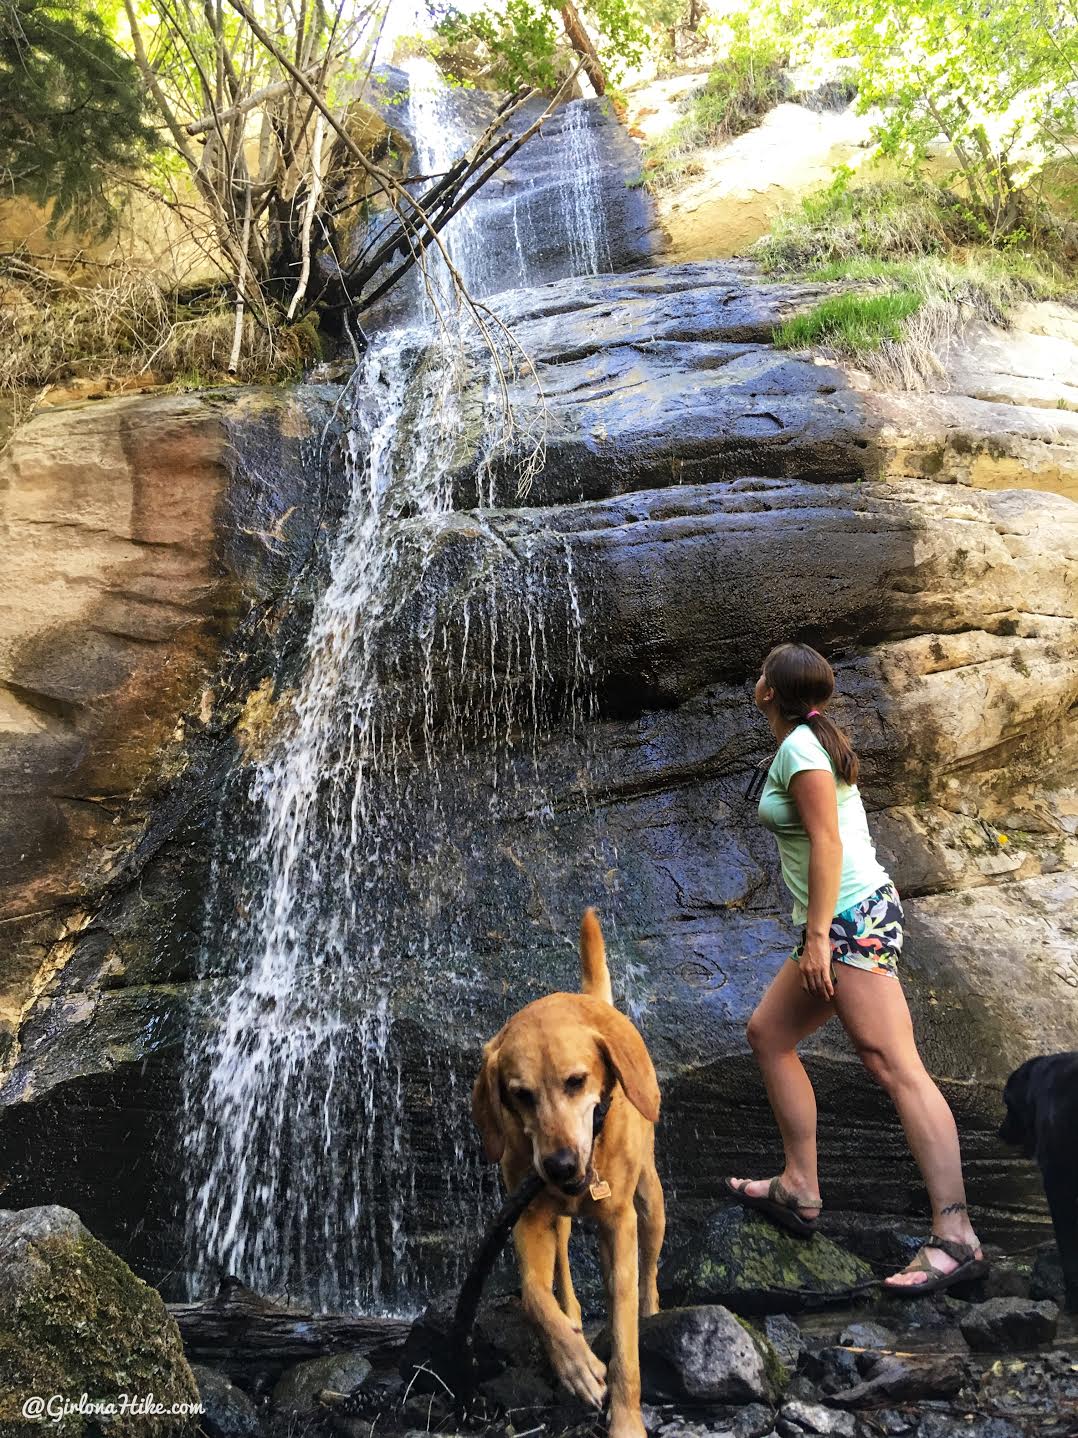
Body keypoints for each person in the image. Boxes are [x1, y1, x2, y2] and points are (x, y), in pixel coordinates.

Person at [725, 642, 986, 1294]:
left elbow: (827, 843)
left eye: (761, 673)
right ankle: (799, 1185)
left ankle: (955, 1234)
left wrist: (817, 937)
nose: (756, 680)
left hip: (848, 917)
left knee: (897, 1067)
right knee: (770, 1034)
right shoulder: (811, 741)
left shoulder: (801, 750)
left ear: (767, 693)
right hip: (846, 916)